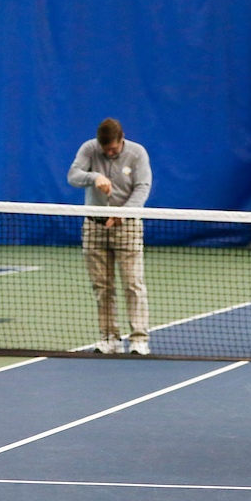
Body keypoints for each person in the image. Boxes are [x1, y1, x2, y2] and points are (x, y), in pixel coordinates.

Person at [67, 118, 153, 355]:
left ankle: (139, 339)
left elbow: (143, 187)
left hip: (127, 227)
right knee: (102, 286)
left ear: (121, 138)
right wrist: (94, 177)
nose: (109, 152)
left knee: (133, 284)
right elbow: (73, 176)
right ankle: (109, 338)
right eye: (105, 149)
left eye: (113, 148)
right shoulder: (89, 149)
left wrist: (122, 213)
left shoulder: (137, 153)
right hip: (94, 227)